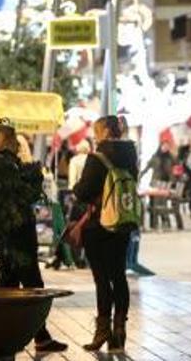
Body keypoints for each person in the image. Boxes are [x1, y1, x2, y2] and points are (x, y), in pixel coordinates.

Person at [0, 126, 68, 353]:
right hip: (20, 234)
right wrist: (29, 164)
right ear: (12, 143)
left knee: (7, 284)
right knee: (34, 287)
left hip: (3, 235)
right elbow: (32, 194)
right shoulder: (16, 167)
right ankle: (37, 337)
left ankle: (7, 336)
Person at [73, 116, 137, 352]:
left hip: (98, 224)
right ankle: (119, 331)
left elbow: (83, 191)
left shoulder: (97, 157)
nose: (94, 135)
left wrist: (76, 188)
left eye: (96, 131)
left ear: (105, 131)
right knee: (118, 275)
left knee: (102, 279)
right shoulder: (130, 155)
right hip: (122, 222)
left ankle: (102, 330)